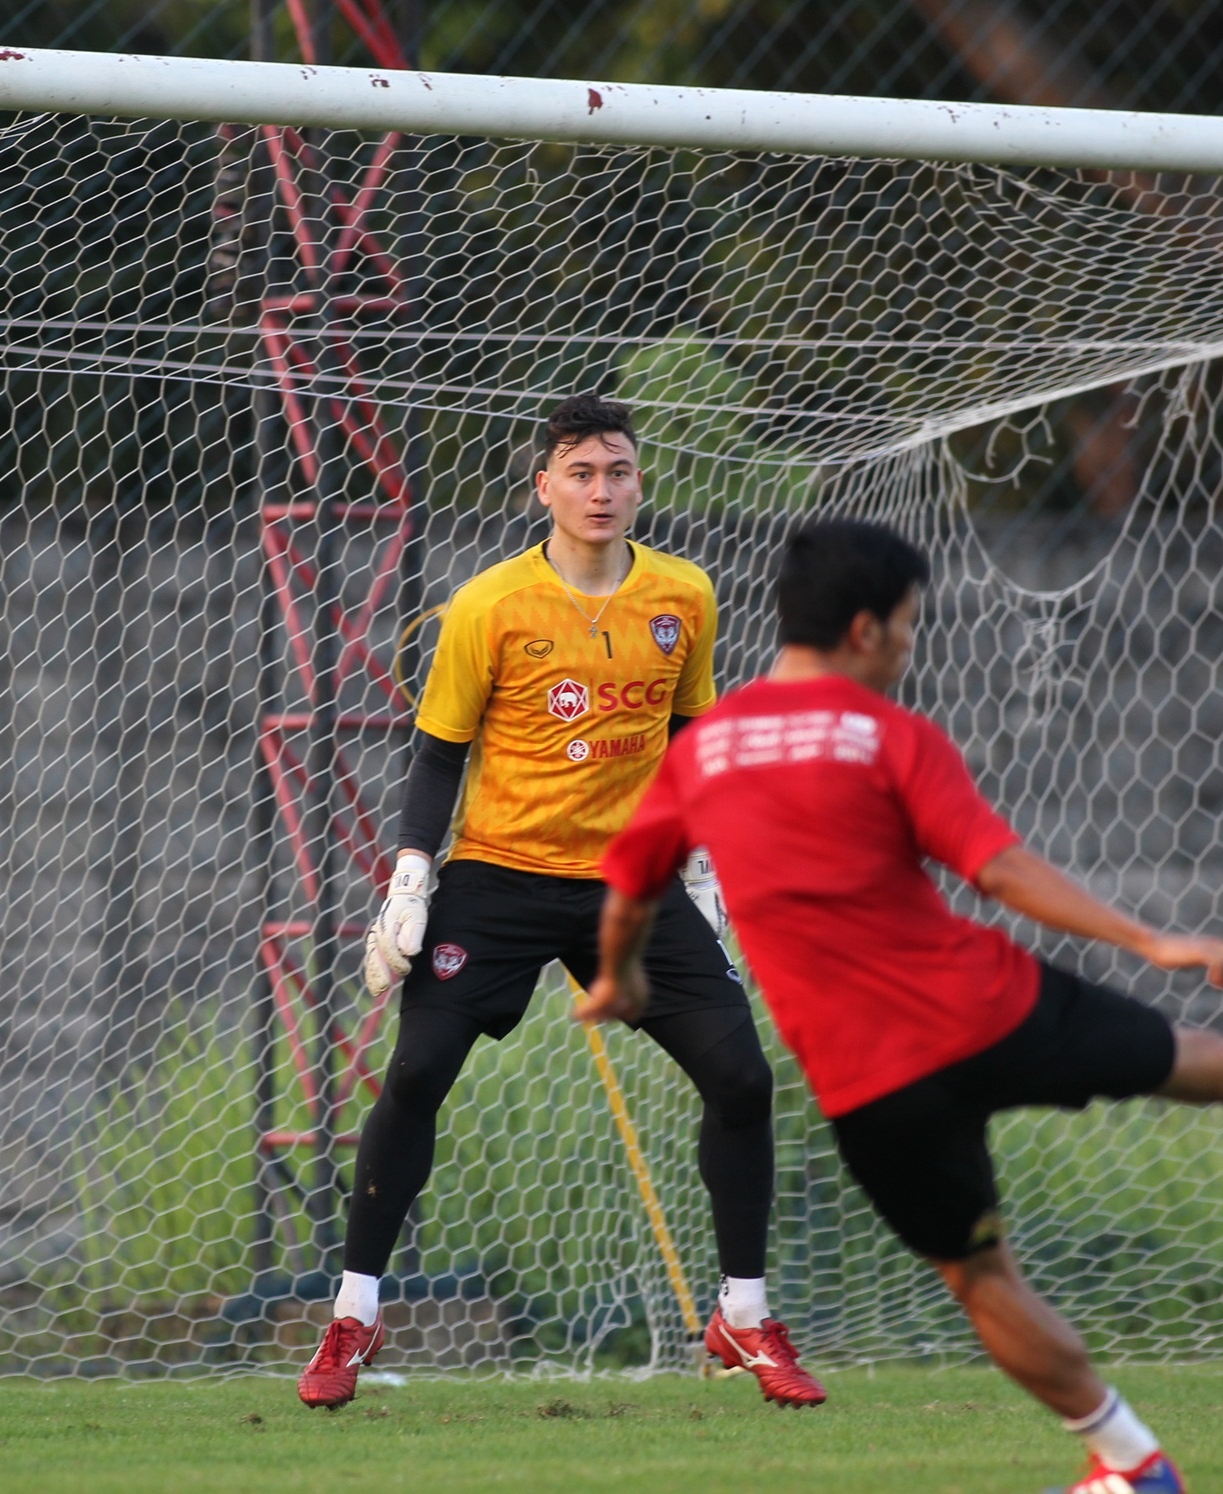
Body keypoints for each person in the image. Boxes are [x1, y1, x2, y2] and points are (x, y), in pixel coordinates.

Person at [579, 518, 1223, 1493]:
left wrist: (620, 980)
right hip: (987, 1006)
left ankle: (1131, 1463)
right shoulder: (889, 735)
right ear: (865, 630)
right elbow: (996, 870)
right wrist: (1146, 940)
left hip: (872, 1079)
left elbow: (628, 891)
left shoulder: (700, 756)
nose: (912, 649)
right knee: (1203, 1061)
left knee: (979, 1278)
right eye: (911, 628)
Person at [295, 394, 824, 1410]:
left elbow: (689, 741)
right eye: (579, 473)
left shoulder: (684, 593)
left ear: (639, 482)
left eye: (616, 471)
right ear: (543, 486)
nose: (600, 490)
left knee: (742, 1079)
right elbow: (438, 750)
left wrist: (706, 869)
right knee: (415, 1073)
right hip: (497, 875)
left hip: (635, 883)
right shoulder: (488, 606)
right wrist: (410, 878)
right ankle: (353, 1312)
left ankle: (744, 1319)